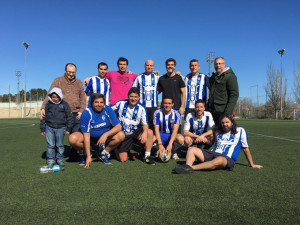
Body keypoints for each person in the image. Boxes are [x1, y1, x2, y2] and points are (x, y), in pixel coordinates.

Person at [175, 114, 263, 174]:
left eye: (227, 122)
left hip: (226, 159)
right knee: (191, 149)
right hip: (213, 153)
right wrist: (203, 137)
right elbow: (210, 138)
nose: (225, 124)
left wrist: (252, 164)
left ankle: (191, 168)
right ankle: (187, 166)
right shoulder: (217, 131)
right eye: (222, 123)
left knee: (220, 160)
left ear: (232, 122)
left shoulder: (240, 131)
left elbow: (245, 149)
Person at [69, 93, 125, 168]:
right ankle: (84, 154)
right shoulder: (86, 113)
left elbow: (118, 127)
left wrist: (105, 135)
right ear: (92, 103)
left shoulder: (108, 109)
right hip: (90, 137)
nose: (99, 104)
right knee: (72, 138)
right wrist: (88, 155)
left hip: (104, 138)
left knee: (121, 135)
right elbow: (86, 135)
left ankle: (104, 153)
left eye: (101, 102)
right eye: (96, 102)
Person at [111, 87, 155, 165]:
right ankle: (115, 149)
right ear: (128, 96)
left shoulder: (142, 108)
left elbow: (145, 124)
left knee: (149, 132)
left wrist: (144, 133)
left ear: (138, 97)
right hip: (124, 134)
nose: (133, 99)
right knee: (123, 159)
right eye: (131, 96)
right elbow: (109, 111)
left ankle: (147, 156)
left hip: (135, 132)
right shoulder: (121, 103)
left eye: (135, 97)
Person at [41, 63, 86, 133]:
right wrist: (43, 107)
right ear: (65, 71)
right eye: (69, 72)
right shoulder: (57, 81)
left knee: (75, 136)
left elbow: (83, 98)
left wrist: (81, 111)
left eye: (73, 72)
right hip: (61, 113)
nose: (71, 74)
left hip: (76, 114)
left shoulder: (79, 82)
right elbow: (50, 94)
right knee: (58, 137)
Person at [40, 87, 73, 167]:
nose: (55, 99)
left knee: (60, 145)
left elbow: (69, 116)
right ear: (50, 96)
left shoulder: (64, 104)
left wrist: (69, 128)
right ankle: (50, 160)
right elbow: (43, 116)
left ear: (60, 96)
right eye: (53, 97)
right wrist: (42, 128)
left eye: (57, 97)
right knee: (50, 145)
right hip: (49, 127)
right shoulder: (48, 104)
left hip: (61, 128)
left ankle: (60, 159)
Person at [207, 57, 239, 126]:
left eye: (220, 63)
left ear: (224, 64)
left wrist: (227, 113)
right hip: (213, 111)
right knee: (214, 134)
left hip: (223, 112)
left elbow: (234, 95)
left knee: (223, 134)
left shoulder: (230, 76)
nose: (218, 66)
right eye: (216, 64)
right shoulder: (213, 77)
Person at [153, 96, 184, 161]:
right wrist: (160, 144)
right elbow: (156, 129)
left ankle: (173, 150)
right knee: (149, 139)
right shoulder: (157, 113)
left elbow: (175, 130)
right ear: (162, 104)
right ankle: (158, 149)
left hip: (171, 134)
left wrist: (170, 144)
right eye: (165, 103)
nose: (167, 105)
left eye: (169, 103)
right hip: (161, 134)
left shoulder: (177, 113)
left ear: (172, 104)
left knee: (181, 139)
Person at [132, 59, 159, 129]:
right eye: (147, 65)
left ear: (153, 67)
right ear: (144, 66)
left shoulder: (157, 77)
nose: (149, 67)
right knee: (142, 126)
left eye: (151, 65)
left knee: (153, 126)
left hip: (154, 107)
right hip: (142, 106)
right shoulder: (139, 77)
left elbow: (161, 89)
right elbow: (134, 90)